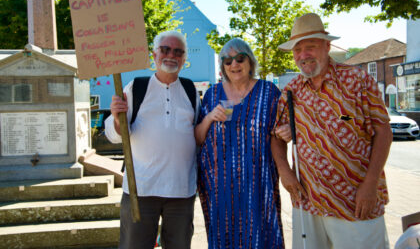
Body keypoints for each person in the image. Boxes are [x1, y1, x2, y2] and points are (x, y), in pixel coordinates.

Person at [271, 13, 393, 249]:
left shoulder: (358, 80)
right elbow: (276, 136)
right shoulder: (291, 91)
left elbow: (383, 131)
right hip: (308, 202)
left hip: (355, 200)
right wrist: (284, 171)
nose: (303, 55)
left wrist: (370, 184)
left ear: (327, 46)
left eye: (310, 47)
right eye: (297, 50)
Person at [105, 30, 200, 249]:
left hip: (181, 191)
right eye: (165, 49)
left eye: (178, 51)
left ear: (184, 58)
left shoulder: (190, 90)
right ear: (154, 55)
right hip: (141, 190)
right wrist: (118, 119)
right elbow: (114, 134)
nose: (171, 55)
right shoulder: (136, 87)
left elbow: (197, 135)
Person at [195, 38, 284, 249]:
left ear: (250, 61)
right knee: (226, 237)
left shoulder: (269, 92)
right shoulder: (212, 94)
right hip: (221, 188)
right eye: (227, 61)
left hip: (259, 185)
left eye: (239, 58)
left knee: (261, 236)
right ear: (223, 67)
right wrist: (208, 118)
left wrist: (287, 130)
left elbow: (282, 130)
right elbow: (198, 138)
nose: (234, 64)